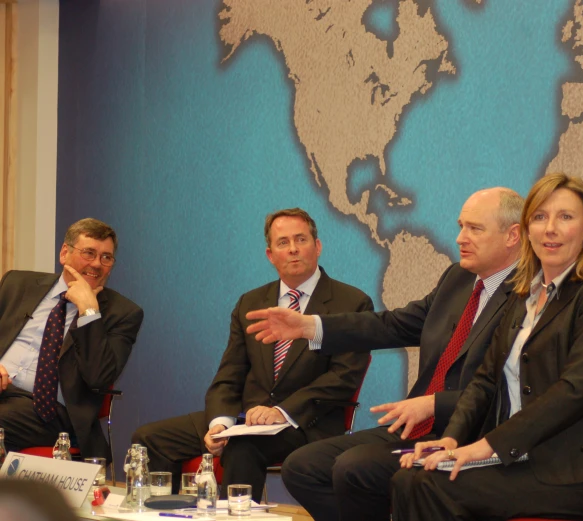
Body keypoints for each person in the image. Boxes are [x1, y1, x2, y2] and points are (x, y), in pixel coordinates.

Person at [246, 187, 524, 521]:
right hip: (418, 426)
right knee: (303, 467)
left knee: (354, 467)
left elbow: (507, 392)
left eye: (474, 229)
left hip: (473, 433)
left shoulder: (528, 297)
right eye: (460, 226)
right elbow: (392, 325)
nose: (460, 237)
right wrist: (308, 327)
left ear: (513, 236)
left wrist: (434, 403)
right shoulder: (459, 278)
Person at [391, 173, 583, 521]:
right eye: (539, 217)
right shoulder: (522, 297)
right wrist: (453, 439)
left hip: (574, 473)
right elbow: (485, 381)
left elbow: (574, 390)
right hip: (515, 461)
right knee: (407, 479)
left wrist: (484, 448)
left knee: (429, 487)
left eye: (565, 217)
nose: (550, 229)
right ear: (527, 230)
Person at [132, 208, 372, 503]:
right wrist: (220, 423)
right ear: (270, 255)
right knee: (150, 439)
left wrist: (280, 411)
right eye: (283, 243)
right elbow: (229, 374)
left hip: (305, 421)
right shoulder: (251, 302)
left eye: (301, 239)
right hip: (245, 417)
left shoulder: (352, 303)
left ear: (318, 246)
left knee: (243, 448)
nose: (294, 249)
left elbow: (343, 378)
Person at [0, 218, 144, 460]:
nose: (97, 264)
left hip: (48, 412)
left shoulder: (123, 313)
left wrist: (89, 311)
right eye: (89, 253)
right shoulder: (17, 283)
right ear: (64, 253)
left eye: (106, 257)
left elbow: (100, 376)